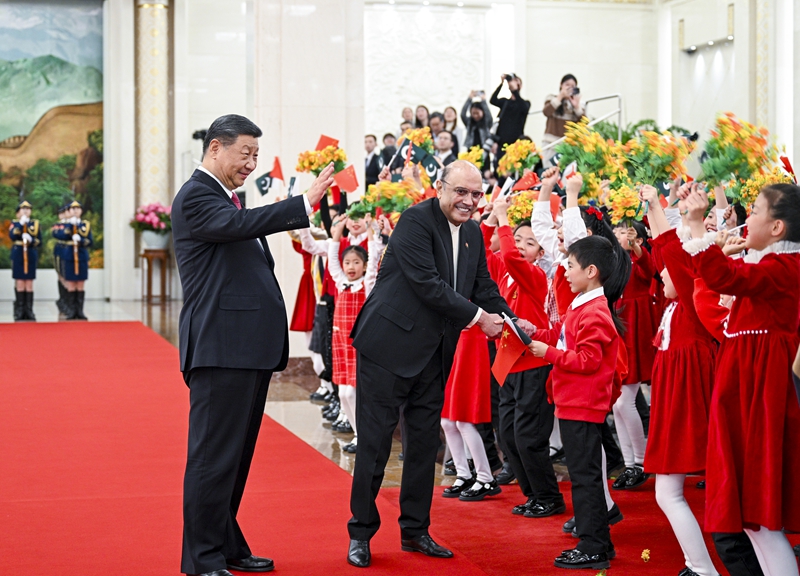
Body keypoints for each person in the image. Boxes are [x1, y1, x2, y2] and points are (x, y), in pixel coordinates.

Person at [171, 113, 335, 576]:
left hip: (243, 349)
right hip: (220, 348)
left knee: (234, 459)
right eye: (245, 153)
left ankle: (225, 546)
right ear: (216, 148)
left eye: (256, 156)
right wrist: (301, 203)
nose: (250, 164)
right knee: (213, 457)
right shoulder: (197, 197)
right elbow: (242, 229)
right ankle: (201, 558)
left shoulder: (226, 198)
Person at [345, 160, 513, 568]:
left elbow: (482, 286)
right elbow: (428, 286)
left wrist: (509, 319)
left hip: (434, 354)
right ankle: (360, 534)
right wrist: (479, 319)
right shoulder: (415, 221)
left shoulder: (473, 232)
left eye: (476, 194)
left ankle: (415, 531)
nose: (469, 201)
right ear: (440, 187)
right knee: (375, 444)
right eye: (461, 192)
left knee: (423, 445)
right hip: (387, 348)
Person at [681, 182, 800, 576]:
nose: (748, 218)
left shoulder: (783, 267)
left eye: (756, 210)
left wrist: (699, 226)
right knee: (754, 525)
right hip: (749, 389)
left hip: (759, 395)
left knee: (763, 524)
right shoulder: (776, 264)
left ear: (778, 227)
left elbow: (724, 279)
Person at [527, 234, 623, 570]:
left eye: (570, 266)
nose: (565, 272)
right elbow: (561, 337)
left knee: (584, 478)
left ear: (591, 270)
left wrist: (548, 353)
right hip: (574, 401)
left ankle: (593, 545)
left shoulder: (595, 310)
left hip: (582, 403)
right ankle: (599, 542)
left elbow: (587, 360)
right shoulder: (582, 304)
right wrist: (534, 334)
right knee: (584, 475)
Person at [640, 184, 719, 576]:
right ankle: (699, 565)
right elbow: (664, 250)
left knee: (669, 493)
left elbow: (669, 249)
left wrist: (682, 215)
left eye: (671, 271)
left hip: (686, 407)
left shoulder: (691, 302)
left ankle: (702, 568)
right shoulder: (677, 307)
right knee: (669, 493)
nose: (662, 274)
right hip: (676, 405)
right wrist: (654, 204)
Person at [481, 192, 564, 520]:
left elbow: (512, 257)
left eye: (528, 242)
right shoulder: (502, 273)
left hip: (533, 362)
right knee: (509, 436)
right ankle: (534, 494)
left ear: (540, 253)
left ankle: (549, 496)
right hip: (507, 360)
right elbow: (487, 253)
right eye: (516, 239)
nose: (519, 246)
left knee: (528, 437)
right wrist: (490, 219)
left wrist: (504, 219)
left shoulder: (537, 276)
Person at [327, 216, 383, 454]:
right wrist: (336, 235)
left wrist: (372, 233)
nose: (351, 267)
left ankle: (366, 435)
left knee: (354, 392)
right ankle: (358, 434)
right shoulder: (340, 283)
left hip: (359, 344)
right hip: (341, 342)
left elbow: (373, 263)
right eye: (347, 262)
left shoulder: (367, 284)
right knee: (342, 392)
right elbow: (332, 262)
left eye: (356, 262)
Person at [611, 221, 656, 490]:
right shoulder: (615, 258)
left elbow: (649, 270)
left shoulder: (636, 259)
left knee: (624, 400)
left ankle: (640, 461)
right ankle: (631, 464)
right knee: (618, 401)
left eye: (627, 231)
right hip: (620, 326)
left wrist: (637, 248)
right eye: (618, 230)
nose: (620, 235)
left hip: (635, 328)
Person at [52, 200, 93, 320]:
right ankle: (71, 311)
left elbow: (90, 241)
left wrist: (81, 240)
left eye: (78, 208)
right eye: (72, 209)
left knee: (80, 284)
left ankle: (79, 311)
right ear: (68, 211)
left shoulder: (85, 225)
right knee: (70, 283)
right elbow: (60, 235)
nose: (75, 211)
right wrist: (71, 228)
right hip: (69, 255)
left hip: (81, 254)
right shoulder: (65, 225)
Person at [9, 200, 41, 321]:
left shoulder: (35, 224)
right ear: (18, 213)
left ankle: (29, 310)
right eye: (23, 209)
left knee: (29, 283)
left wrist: (31, 240)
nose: (26, 211)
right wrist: (21, 225)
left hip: (30, 254)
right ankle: (20, 310)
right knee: (20, 283)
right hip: (18, 254)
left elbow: (39, 241)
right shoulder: (15, 224)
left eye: (28, 209)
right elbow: (12, 236)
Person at [542, 74, 586, 162]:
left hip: (568, 147)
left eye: (572, 86)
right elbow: (546, 112)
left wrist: (576, 106)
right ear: (561, 85)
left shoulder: (577, 104)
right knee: (548, 172)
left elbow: (584, 124)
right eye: (567, 85)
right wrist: (560, 96)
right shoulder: (552, 98)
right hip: (551, 144)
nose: (569, 88)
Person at [489, 74, 530, 160]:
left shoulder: (525, 103)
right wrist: (502, 83)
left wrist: (515, 90)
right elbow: (493, 100)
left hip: (516, 144)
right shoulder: (505, 102)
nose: (513, 83)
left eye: (516, 81)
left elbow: (523, 108)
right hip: (501, 144)